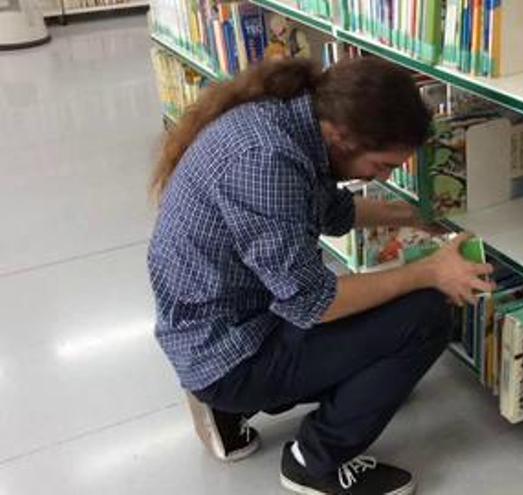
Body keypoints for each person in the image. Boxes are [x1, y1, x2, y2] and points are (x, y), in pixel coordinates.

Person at [147, 56, 494, 495]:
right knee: (426, 316)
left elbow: (329, 211)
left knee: (382, 305)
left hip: (216, 328)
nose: (385, 177)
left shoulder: (286, 124)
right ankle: (315, 460)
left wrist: (410, 216)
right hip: (229, 356)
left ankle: (229, 410)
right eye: (382, 165)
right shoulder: (266, 162)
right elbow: (315, 303)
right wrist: (428, 272)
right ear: (341, 136)